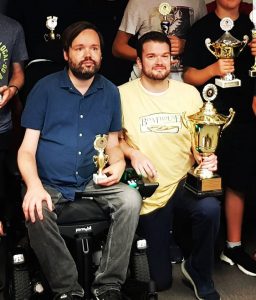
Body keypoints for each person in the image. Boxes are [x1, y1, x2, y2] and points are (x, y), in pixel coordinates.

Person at [17, 21, 142, 300]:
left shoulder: (110, 91)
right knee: (36, 209)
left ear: (101, 54)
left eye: (94, 48)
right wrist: (34, 186)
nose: (88, 54)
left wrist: (119, 164)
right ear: (66, 54)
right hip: (48, 182)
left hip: (91, 180)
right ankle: (68, 290)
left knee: (131, 200)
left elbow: (112, 144)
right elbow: (26, 149)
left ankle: (108, 285)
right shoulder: (44, 89)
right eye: (80, 48)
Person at [119, 31, 221, 300]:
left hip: (183, 182)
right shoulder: (120, 95)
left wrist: (205, 157)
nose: (159, 62)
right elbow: (110, 141)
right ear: (139, 62)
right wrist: (131, 152)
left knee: (210, 208)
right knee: (159, 281)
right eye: (151, 56)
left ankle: (199, 272)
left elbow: (198, 141)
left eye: (165, 55)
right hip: (150, 192)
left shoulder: (189, 94)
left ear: (172, 59)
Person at [183, 0, 256, 276]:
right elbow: (188, 75)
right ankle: (202, 249)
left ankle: (233, 246)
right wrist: (213, 70)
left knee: (238, 181)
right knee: (208, 181)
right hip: (208, 120)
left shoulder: (253, 27)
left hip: (244, 117)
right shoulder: (201, 27)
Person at [112, 0, 207, 82]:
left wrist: (186, 46)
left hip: (184, 83)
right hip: (144, 82)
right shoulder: (139, 2)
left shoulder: (197, 2)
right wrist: (150, 57)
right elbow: (118, 47)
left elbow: (206, 44)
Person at [0, 13, 28, 243]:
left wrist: (11, 90)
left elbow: (18, 72)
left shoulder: (12, 27)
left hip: (2, 125)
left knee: (5, 187)